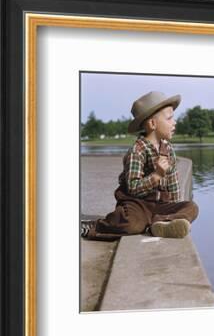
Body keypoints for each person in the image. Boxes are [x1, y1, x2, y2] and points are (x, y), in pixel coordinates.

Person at [81, 91, 199, 241]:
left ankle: (162, 223)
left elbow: (173, 182)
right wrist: (156, 175)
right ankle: (97, 226)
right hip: (138, 204)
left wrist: (175, 207)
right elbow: (133, 187)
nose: (174, 122)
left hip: (160, 205)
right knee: (132, 224)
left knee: (191, 207)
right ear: (152, 124)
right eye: (169, 118)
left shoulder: (168, 149)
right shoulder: (137, 151)